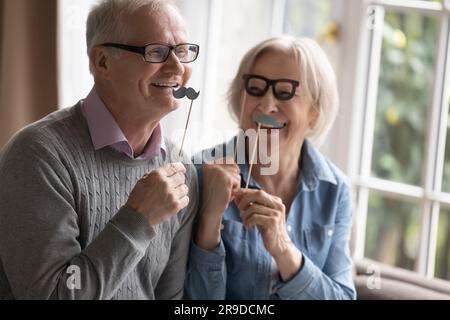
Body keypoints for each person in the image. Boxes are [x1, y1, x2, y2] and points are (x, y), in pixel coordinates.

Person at [0, 0, 199, 300]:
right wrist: (139, 219)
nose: (178, 67)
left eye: (183, 51)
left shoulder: (182, 169)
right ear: (103, 61)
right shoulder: (38, 155)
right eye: (157, 51)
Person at [185, 36, 356, 300]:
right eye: (255, 88)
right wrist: (209, 220)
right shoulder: (199, 172)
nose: (266, 106)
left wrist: (284, 249)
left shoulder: (335, 191)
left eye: (285, 91)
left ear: (315, 111)